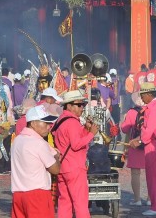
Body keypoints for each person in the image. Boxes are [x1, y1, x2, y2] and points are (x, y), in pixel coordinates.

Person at [52, 89, 97, 218]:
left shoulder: (61, 120)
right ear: (69, 106)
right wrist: (91, 134)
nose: (81, 108)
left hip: (63, 167)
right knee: (80, 203)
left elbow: (69, 142)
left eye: (82, 105)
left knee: (64, 202)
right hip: (74, 168)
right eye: (79, 105)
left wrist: (85, 129)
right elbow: (77, 145)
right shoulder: (72, 122)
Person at [10, 105, 61, 218]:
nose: (49, 126)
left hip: (18, 194)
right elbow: (55, 169)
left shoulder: (17, 140)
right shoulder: (39, 143)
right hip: (37, 195)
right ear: (33, 123)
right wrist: (56, 156)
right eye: (45, 123)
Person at [134, 82, 156, 216]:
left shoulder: (154, 109)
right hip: (151, 145)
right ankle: (155, 205)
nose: (141, 97)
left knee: (154, 177)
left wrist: (139, 140)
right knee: (151, 177)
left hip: (153, 146)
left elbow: (150, 130)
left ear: (148, 95)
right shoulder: (153, 108)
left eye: (142, 95)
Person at [122, 92, 148, 207]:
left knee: (135, 173)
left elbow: (124, 129)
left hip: (134, 144)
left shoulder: (132, 112)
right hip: (148, 145)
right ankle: (150, 199)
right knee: (150, 173)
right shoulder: (149, 110)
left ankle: (137, 199)